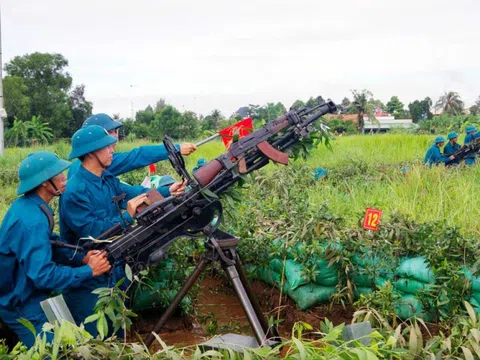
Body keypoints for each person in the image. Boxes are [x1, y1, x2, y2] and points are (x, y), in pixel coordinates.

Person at [60, 125, 186, 336]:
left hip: (113, 268)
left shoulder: (106, 178)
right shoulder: (75, 190)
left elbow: (132, 193)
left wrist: (166, 191)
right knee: (96, 339)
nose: (112, 149)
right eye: (107, 146)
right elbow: (93, 234)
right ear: (91, 152)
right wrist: (127, 216)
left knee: (117, 334)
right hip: (89, 277)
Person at [0, 151, 111, 347]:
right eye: (58, 173)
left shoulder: (33, 207)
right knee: (59, 352)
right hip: (20, 304)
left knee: (73, 343)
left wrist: (82, 257)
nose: (64, 176)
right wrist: (89, 270)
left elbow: (51, 242)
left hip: (32, 294)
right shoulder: (31, 221)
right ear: (44, 182)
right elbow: (43, 275)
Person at [68, 113, 197, 178]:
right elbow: (137, 156)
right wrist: (176, 149)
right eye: (110, 132)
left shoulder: (82, 164)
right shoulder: (95, 163)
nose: (115, 137)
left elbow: (118, 189)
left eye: (115, 132)